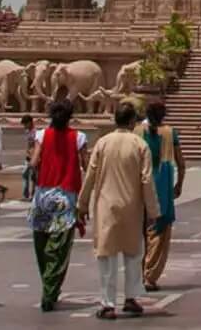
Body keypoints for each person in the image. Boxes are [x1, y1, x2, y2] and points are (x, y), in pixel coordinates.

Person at [77, 102, 161, 321]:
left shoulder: (103, 143)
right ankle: (131, 298)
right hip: (132, 206)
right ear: (132, 121)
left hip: (106, 206)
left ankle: (108, 304)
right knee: (133, 254)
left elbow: (90, 175)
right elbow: (147, 180)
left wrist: (82, 204)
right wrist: (153, 211)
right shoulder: (140, 145)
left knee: (106, 255)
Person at [29, 100, 87, 312]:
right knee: (59, 248)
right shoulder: (79, 137)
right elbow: (87, 165)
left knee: (41, 245)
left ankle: (48, 284)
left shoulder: (42, 135)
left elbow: (34, 162)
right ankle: (50, 290)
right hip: (65, 196)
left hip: (43, 195)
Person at [138, 101, 185, 293]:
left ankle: (139, 272)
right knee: (158, 231)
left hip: (140, 185)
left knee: (141, 231)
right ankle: (149, 275)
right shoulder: (170, 133)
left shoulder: (136, 131)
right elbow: (181, 162)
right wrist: (179, 183)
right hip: (162, 186)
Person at [21, 115, 37, 201]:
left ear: (30, 123)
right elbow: (29, 144)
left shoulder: (36, 132)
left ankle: (32, 195)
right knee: (25, 174)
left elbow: (35, 145)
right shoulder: (28, 132)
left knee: (33, 176)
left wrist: (34, 155)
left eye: (25, 124)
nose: (24, 126)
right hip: (28, 156)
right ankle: (25, 194)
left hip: (34, 156)